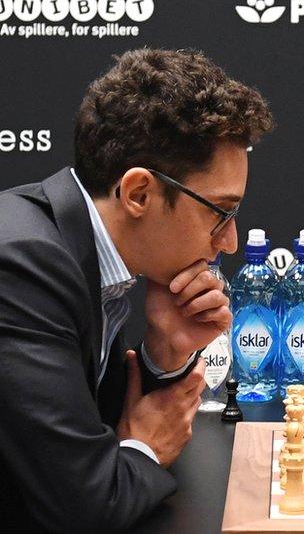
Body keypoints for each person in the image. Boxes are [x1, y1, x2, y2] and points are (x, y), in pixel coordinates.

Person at [0, 48, 274, 531]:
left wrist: (164, 351)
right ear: (139, 194)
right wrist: (147, 447)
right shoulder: (24, 265)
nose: (229, 241)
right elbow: (85, 506)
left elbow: (94, 430)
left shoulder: (80, 247)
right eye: (220, 211)